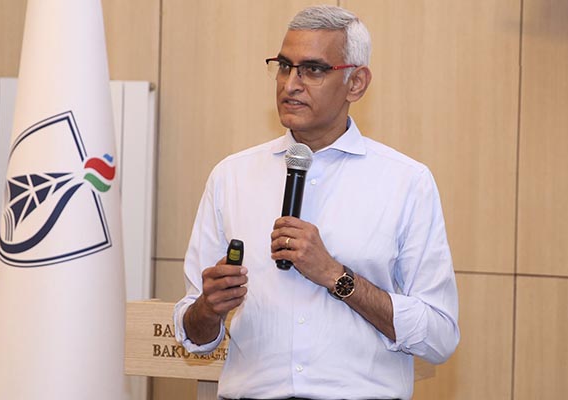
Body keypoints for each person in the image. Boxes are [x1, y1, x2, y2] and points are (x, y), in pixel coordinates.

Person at [173, 5, 459, 400]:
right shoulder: (231, 176)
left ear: (356, 83)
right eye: (284, 67)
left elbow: (439, 336)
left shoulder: (406, 182)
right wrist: (209, 307)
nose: (291, 84)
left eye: (313, 69)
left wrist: (336, 276)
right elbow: (194, 338)